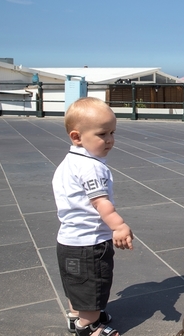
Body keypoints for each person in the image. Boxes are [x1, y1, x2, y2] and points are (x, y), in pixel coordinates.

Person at [53, 97, 133, 336]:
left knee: (76, 283)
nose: (109, 140)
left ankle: (77, 316)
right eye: (102, 134)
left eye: (112, 132)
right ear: (77, 137)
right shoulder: (92, 167)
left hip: (68, 240)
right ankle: (90, 326)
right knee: (94, 282)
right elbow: (100, 202)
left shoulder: (69, 162)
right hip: (91, 242)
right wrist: (118, 226)